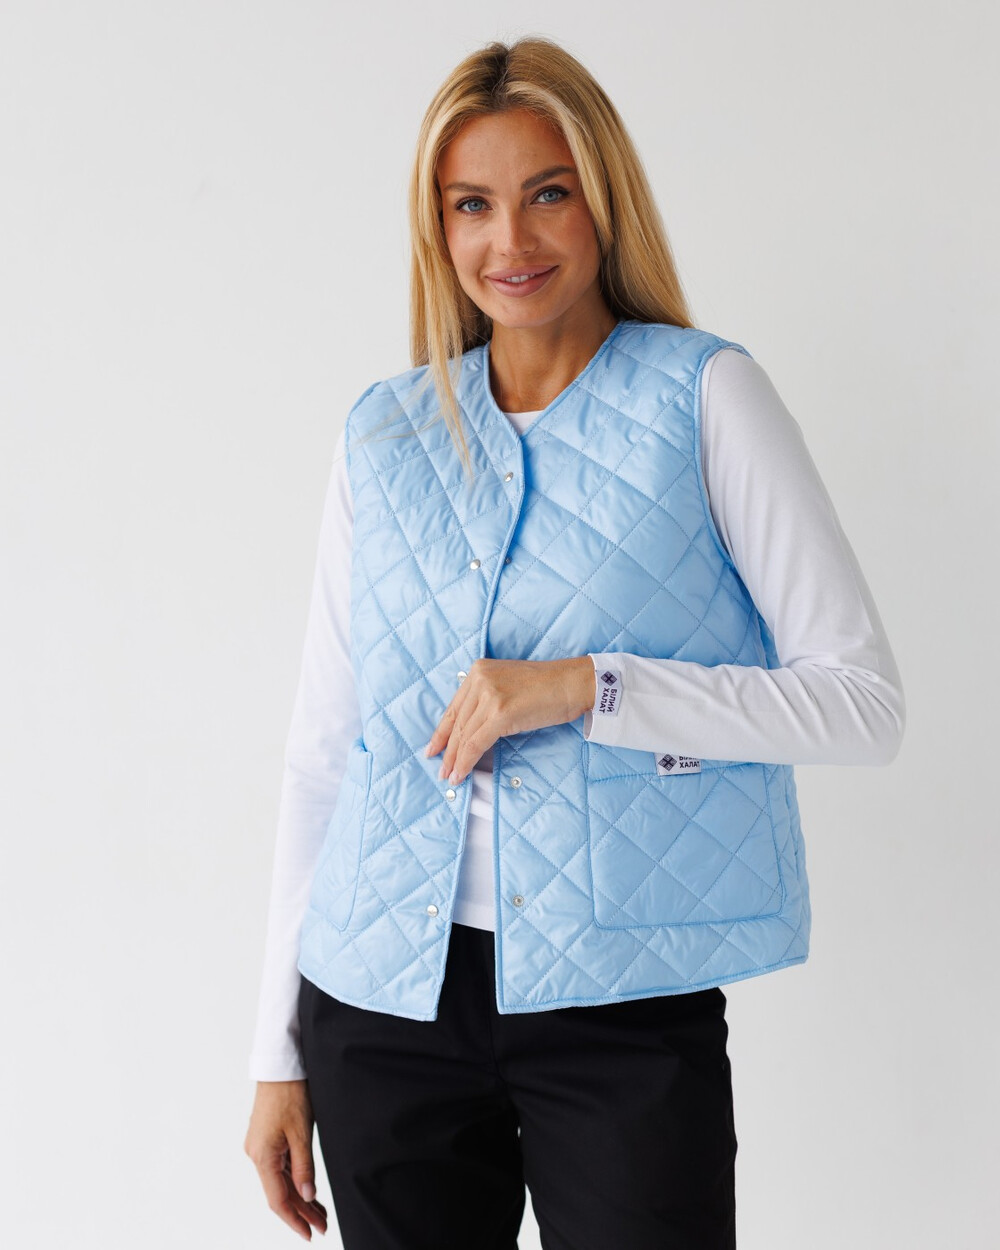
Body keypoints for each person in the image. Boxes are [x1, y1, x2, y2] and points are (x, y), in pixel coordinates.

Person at [243, 34, 905, 1250]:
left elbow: (861, 702)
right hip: (379, 1007)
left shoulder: (706, 396)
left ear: (603, 198)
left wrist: (587, 687)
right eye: (472, 204)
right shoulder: (383, 435)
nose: (512, 240)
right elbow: (324, 752)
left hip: (621, 1011)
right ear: (437, 226)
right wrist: (274, 1053)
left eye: (546, 193)